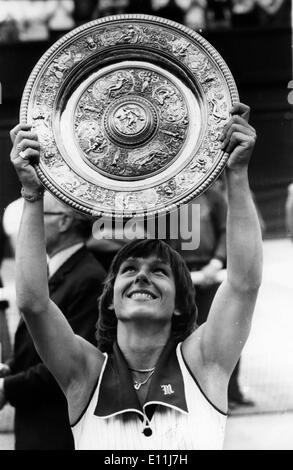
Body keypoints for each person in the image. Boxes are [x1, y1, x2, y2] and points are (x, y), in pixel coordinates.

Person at [6, 102, 262, 450]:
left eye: (159, 271)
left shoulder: (206, 363)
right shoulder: (85, 372)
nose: (142, 276)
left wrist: (238, 174)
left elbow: (243, 285)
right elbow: (35, 304)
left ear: (179, 303)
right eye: (128, 270)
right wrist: (32, 193)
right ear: (109, 299)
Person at [0, 192, 106, 450]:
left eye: (38, 215)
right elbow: (39, 345)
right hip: (36, 422)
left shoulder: (89, 279)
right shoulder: (56, 271)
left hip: (56, 427)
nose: (28, 226)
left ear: (64, 222)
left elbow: (69, 363)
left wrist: (7, 387)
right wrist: (12, 368)